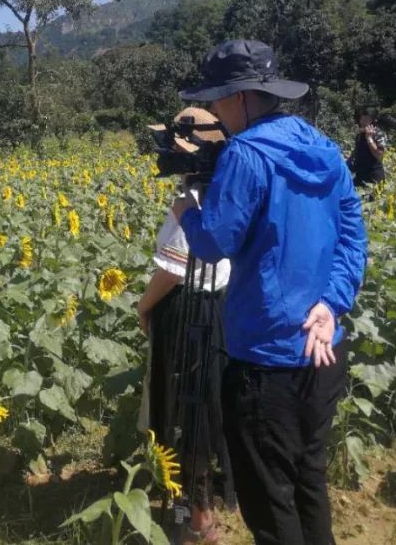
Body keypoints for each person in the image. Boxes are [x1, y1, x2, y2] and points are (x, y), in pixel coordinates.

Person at [171, 40, 367, 545]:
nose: (214, 110)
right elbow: (352, 236)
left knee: (268, 498)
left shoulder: (245, 154)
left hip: (264, 357)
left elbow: (214, 243)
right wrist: (331, 303)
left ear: (240, 98)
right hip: (322, 346)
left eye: (217, 100)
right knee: (308, 480)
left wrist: (187, 209)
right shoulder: (323, 147)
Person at [138, 107, 235, 544]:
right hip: (220, 309)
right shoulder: (229, 194)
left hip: (187, 312)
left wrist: (143, 307)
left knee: (183, 412)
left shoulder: (190, 203)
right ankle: (199, 510)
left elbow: (174, 271)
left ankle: (193, 518)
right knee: (206, 410)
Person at [346, 107, 387, 188]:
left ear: (373, 121)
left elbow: (379, 156)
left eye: (366, 120)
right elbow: (357, 152)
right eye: (362, 119)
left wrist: (369, 139)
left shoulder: (379, 134)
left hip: (374, 178)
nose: (362, 122)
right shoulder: (360, 135)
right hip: (360, 177)